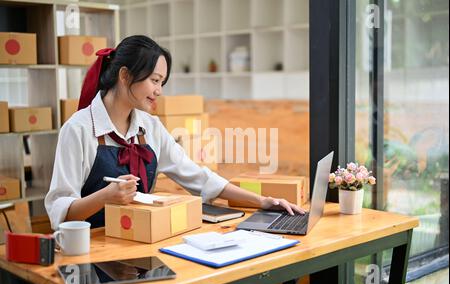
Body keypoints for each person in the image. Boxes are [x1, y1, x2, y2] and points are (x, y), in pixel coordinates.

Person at [45, 34, 303, 232]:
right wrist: (105, 197)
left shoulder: (151, 127)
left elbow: (200, 178)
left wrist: (264, 201)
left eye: (162, 83)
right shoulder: (78, 129)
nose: (159, 90)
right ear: (125, 76)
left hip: (141, 241)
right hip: (91, 249)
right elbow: (60, 212)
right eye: (154, 80)